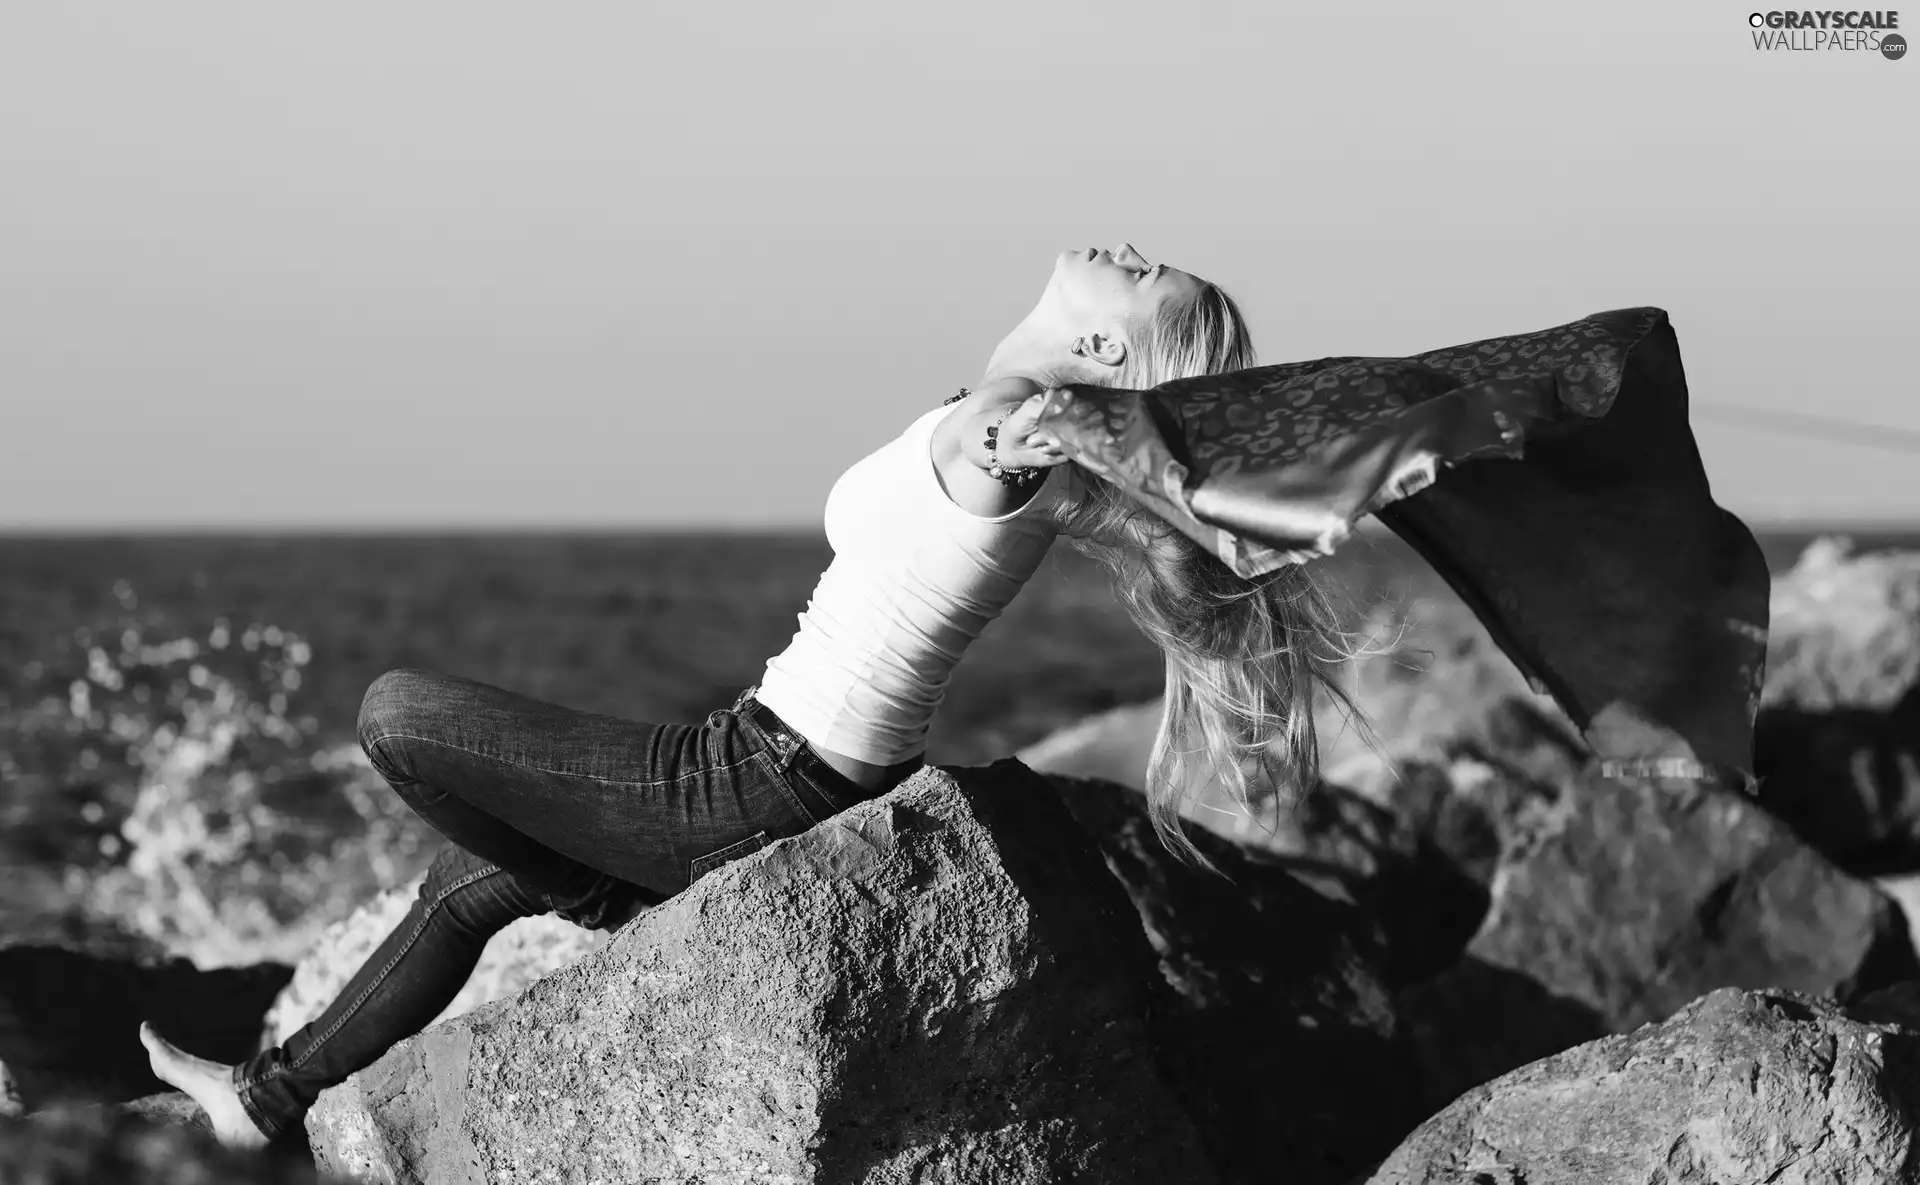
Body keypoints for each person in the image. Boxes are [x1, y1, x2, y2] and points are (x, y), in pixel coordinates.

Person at [138, 243, 1357, 1148]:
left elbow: (1006, 445)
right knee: (465, 888)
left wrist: (1033, 438)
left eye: (1139, 274)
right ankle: (264, 1099)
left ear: (1099, 353)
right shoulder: (992, 417)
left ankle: (621, 899)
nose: (1120, 248)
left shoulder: (1003, 430)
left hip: (761, 780)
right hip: (782, 764)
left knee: (397, 714)